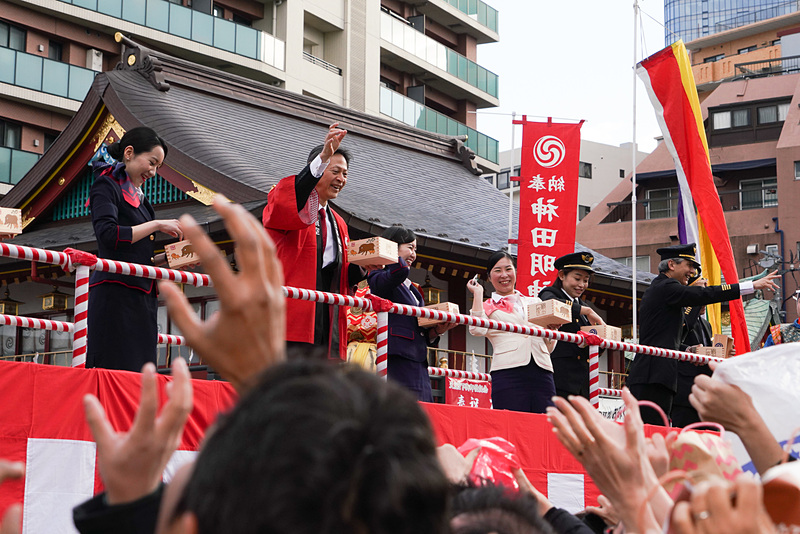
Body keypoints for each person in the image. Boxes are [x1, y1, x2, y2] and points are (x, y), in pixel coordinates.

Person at [626, 243, 779, 424]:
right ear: (671, 265)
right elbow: (705, 294)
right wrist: (750, 286)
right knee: (650, 436)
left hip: (660, 375)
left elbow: (664, 337)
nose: (692, 271)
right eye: (689, 265)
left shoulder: (665, 290)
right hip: (652, 377)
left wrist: (688, 349)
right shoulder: (666, 287)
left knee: (658, 435)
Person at [262, 123, 363, 359]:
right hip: (292, 310)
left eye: (345, 174)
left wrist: (365, 267)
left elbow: (343, 274)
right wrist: (323, 157)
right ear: (317, 170)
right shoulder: (289, 202)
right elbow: (295, 191)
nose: (341, 179)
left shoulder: (339, 223)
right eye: (335, 171)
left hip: (327, 313)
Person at [87, 126, 183, 371]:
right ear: (128, 152)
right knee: (114, 372)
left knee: (141, 376)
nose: (153, 172)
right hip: (115, 296)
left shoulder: (141, 199)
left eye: (158, 167)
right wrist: (157, 224)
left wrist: (175, 258)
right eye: (151, 162)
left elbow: (143, 258)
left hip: (142, 297)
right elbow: (109, 236)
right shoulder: (105, 185)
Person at [366, 226, 452, 402]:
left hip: (419, 358)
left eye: (415, 250)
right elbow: (399, 270)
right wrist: (389, 253)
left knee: (424, 411)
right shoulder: (378, 276)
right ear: (392, 247)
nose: (414, 254)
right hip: (398, 356)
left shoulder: (412, 288)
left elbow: (416, 325)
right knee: (401, 410)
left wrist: (437, 331)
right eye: (410, 248)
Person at [467, 251, 557, 413]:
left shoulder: (535, 302)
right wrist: (478, 295)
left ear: (515, 271)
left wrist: (552, 332)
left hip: (542, 370)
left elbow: (549, 348)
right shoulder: (486, 305)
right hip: (508, 372)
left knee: (545, 424)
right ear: (489, 277)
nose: (504, 275)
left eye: (508, 269)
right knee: (511, 424)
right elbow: (476, 328)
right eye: (497, 270)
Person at [538, 252, 605, 399]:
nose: (582, 285)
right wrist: (586, 311)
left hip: (583, 385)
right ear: (561, 275)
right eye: (577, 278)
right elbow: (553, 305)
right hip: (559, 381)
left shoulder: (582, 307)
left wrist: (603, 336)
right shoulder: (549, 293)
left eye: (586, 280)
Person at [672, 278, 713, 428]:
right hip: (684, 390)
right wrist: (688, 350)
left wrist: (722, 351)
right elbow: (671, 343)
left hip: (706, 390)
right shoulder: (677, 317)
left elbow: (708, 348)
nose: (703, 304)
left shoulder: (706, 324)